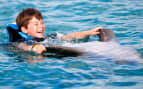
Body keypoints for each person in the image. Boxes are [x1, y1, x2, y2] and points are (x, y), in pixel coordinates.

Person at [12, 8, 102, 54]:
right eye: (36, 24)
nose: (41, 27)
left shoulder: (51, 36)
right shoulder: (23, 41)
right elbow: (22, 46)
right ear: (25, 29)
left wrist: (87, 33)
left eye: (42, 23)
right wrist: (34, 48)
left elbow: (68, 37)